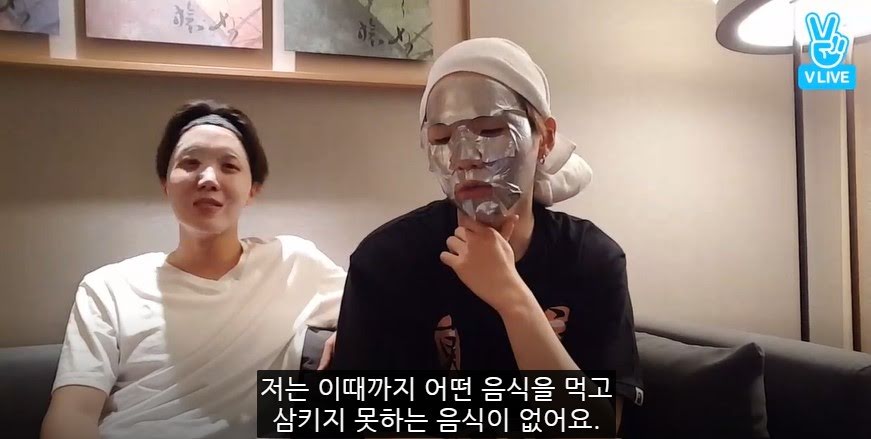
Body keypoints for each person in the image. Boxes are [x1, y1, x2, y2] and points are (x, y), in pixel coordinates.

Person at [332, 37, 643, 430]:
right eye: (441, 138)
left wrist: (512, 298)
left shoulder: (592, 259)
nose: (464, 157)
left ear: (545, 138)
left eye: (491, 130)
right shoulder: (386, 261)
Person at [41, 100, 345, 439]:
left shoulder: (293, 263)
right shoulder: (108, 288)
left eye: (229, 166)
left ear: (252, 190)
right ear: (165, 184)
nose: (208, 179)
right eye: (190, 163)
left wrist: (353, 331)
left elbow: (381, 310)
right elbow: (72, 413)